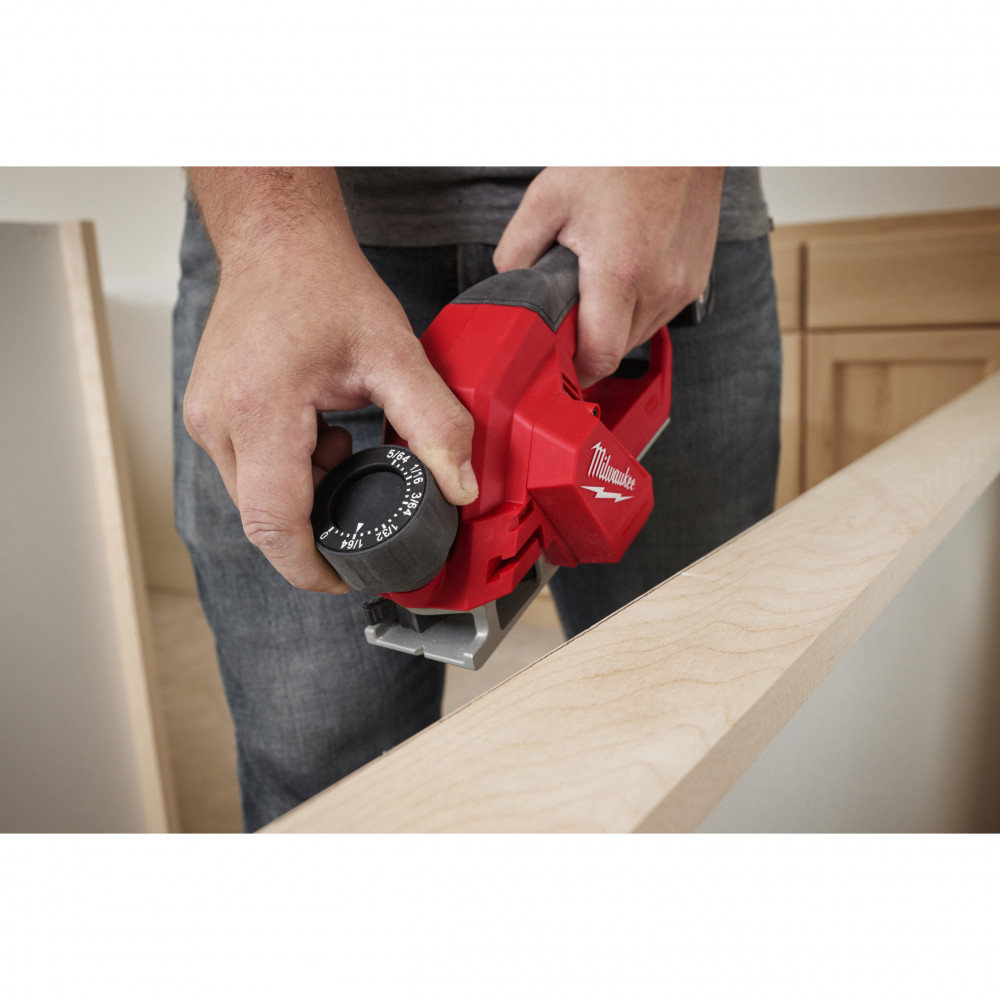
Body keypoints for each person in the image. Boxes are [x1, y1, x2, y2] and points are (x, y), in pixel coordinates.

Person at [173, 167, 781, 831]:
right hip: (295, 255)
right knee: (324, 788)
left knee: (696, 712)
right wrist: (270, 233)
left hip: (648, 224)